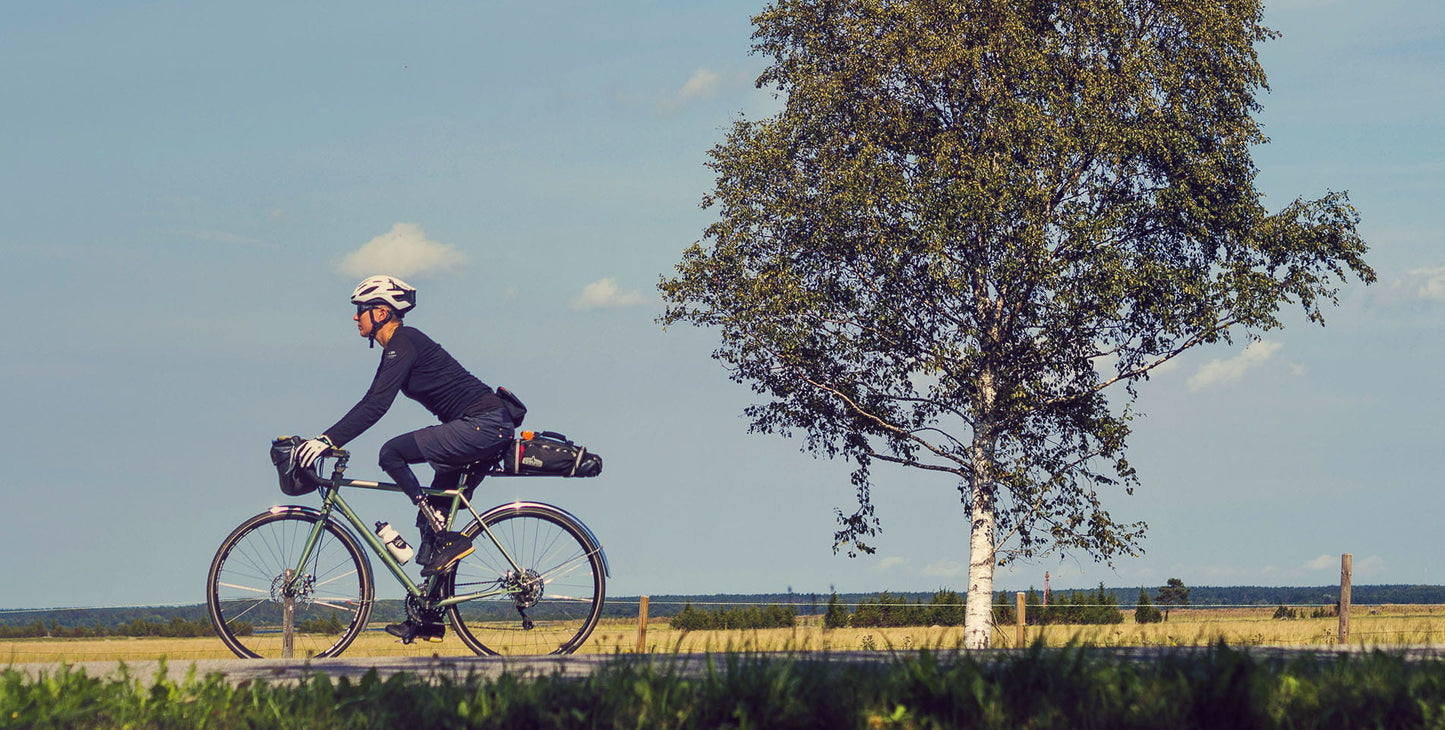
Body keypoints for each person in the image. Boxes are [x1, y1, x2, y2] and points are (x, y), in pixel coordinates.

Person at [295, 274, 518, 643]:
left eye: (360, 311)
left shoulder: (404, 342)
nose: (355, 318)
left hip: (484, 425)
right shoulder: (398, 347)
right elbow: (374, 401)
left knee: (391, 452)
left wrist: (326, 440)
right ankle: (429, 618)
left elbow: (375, 405)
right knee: (431, 526)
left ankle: (447, 541)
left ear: (381, 312)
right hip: (479, 426)